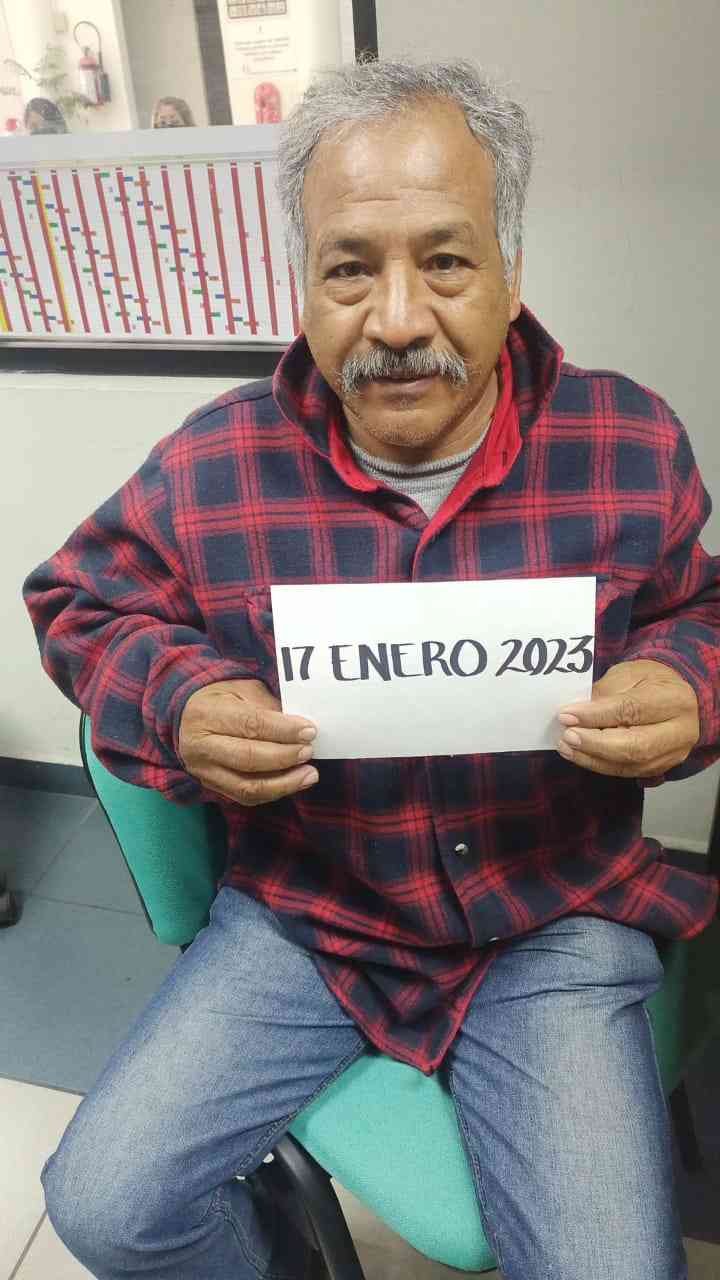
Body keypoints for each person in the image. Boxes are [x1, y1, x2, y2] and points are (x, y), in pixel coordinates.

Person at [23, 57, 720, 1280]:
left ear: (511, 273)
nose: (397, 320)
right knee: (105, 1201)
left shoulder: (628, 440)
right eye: (350, 268)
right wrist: (179, 698)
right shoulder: (215, 462)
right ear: (305, 283)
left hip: (549, 906)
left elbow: (700, 610)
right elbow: (78, 600)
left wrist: (689, 684)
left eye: (445, 262)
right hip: (311, 906)